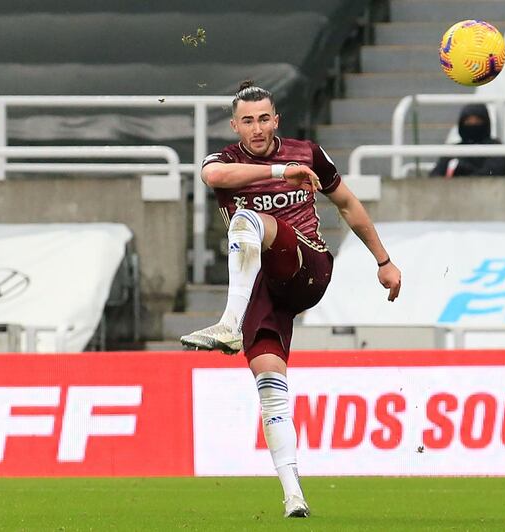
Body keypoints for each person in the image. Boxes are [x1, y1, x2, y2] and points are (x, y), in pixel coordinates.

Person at [180, 80, 402, 517]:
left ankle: (227, 323)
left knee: (247, 219)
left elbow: (347, 204)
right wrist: (281, 173)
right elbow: (213, 177)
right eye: (248, 121)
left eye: (264, 118)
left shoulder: (307, 152)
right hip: (263, 288)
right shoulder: (225, 159)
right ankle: (293, 494)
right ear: (235, 125)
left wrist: (384, 260)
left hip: (308, 266)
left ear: (276, 119)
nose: (257, 128)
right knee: (270, 385)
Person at [429, 103, 505, 178]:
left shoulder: (496, 148)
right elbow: (436, 175)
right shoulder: (453, 151)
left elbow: (497, 171)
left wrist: (467, 174)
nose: (473, 125)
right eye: (468, 121)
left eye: (477, 121)